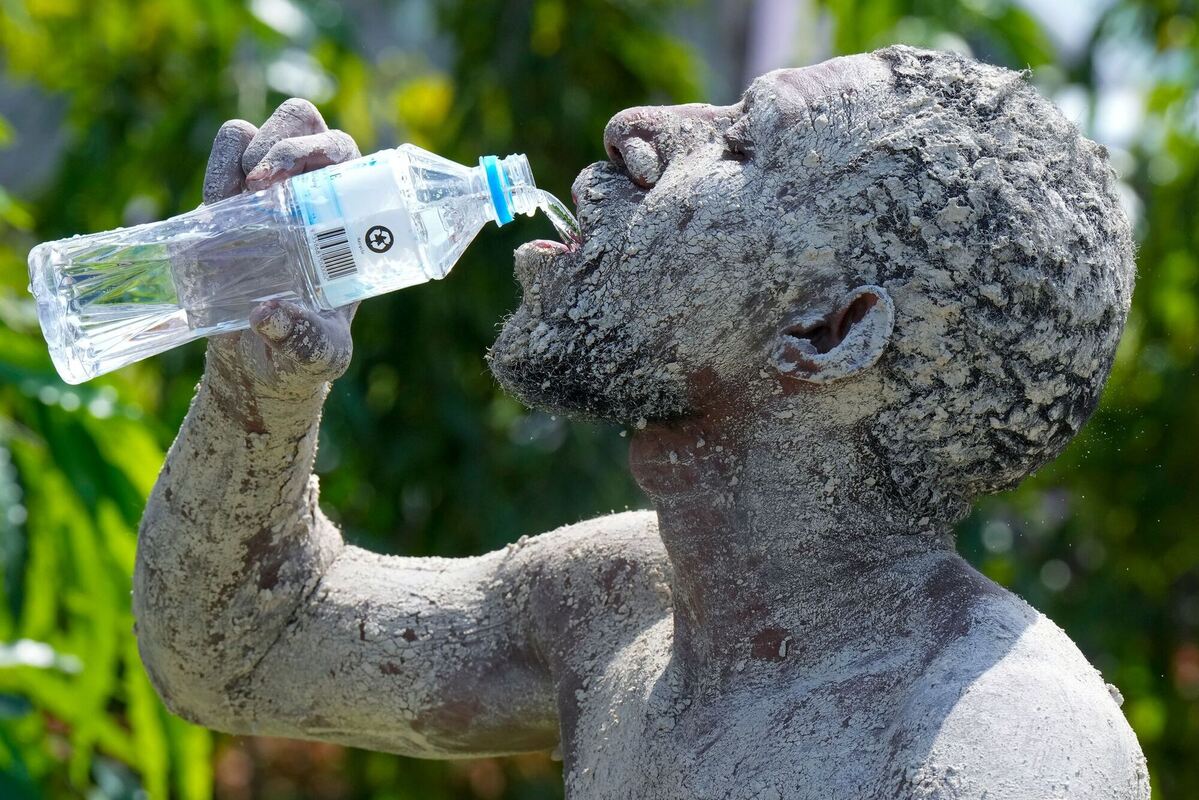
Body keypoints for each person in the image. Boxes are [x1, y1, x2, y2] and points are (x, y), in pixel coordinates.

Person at [134, 45, 1149, 799]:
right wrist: (257, 386)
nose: (636, 123)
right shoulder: (622, 603)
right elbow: (239, 649)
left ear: (830, 331)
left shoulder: (992, 750)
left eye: (744, 144)